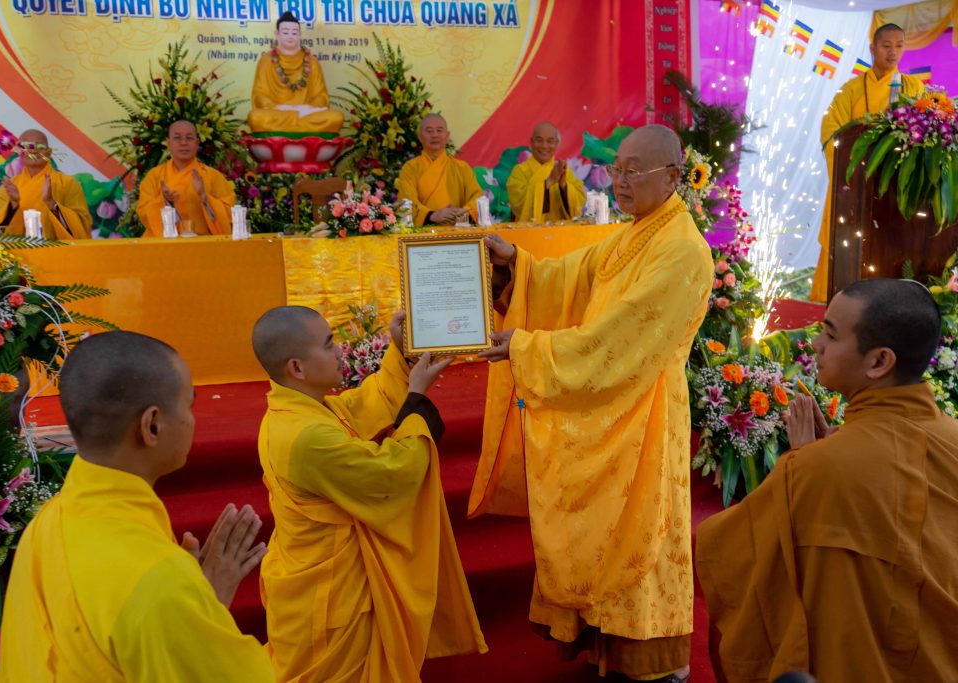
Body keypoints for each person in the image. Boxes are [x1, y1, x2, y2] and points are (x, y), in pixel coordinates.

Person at [471, 125, 713, 681]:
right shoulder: (637, 233)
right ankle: (605, 646)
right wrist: (518, 263)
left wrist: (527, 346)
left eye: (635, 171)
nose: (620, 182)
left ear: (674, 176)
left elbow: (622, 340)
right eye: (616, 169)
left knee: (640, 535)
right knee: (603, 527)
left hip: (644, 408)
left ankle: (651, 660)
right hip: (612, 402)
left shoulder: (680, 249)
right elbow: (573, 279)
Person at [697, 279, 958, 682]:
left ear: (878, 362)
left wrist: (804, 463)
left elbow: (721, 552)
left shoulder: (815, 469)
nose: (816, 344)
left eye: (831, 334)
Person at [0, 331, 274, 682]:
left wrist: (200, 607)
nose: (192, 419)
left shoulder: (48, 521)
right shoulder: (160, 581)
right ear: (152, 426)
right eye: (189, 404)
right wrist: (193, 604)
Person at [252, 306, 486, 682]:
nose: (340, 350)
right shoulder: (306, 435)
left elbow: (364, 405)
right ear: (296, 368)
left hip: (317, 578)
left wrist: (400, 353)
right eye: (329, 345)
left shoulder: (297, 409)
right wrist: (417, 402)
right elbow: (391, 475)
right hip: (330, 597)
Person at [810, 23, 924, 302]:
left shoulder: (915, 87)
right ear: (873, 48)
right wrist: (856, 165)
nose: (893, 51)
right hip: (857, 187)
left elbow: (926, 126)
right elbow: (830, 132)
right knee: (849, 252)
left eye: (899, 45)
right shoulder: (850, 90)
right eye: (886, 45)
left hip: (896, 189)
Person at [247, 12, 343, 134]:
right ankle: (298, 125)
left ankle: (293, 125)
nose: (290, 36)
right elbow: (259, 95)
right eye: (285, 32)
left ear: (300, 35)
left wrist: (308, 108)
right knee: (256, 118)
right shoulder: (266, 60)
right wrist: (281, 108)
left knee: (336, 117)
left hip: (306, 112)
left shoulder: (312, 61)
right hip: (278, 112)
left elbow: (321, 96)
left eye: (294, 33)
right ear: (277, 34)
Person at [135, 120, 236, 237]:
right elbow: (143, 213)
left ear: (197, 143)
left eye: (189, 138)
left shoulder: (212, 175)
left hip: (203, 246)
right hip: (164, 246)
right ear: (168, 143)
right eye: (177, 138)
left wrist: (204, 197)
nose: (184, 143)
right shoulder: (154, 176)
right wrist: (165, 201)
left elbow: (230, 214)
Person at [0, 129, 92, 240]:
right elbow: (2, 232)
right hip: (20, 254)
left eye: (40, 147)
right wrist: (13, 204)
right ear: (18, 151)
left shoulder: (67, 183)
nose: (33, 150)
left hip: (58, 253)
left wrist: (52, 203)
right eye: (26, 146)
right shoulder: (7, 189)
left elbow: (81, 229)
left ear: (49, 152)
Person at [397, 114, 482, 226]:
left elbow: (477, 197)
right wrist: (432, 215)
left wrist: (464, 213)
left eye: (439, 130)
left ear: (447, 136)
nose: (435, 135)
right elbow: (406, 201)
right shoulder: (410, 168)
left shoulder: (462, 168)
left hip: (458, 232)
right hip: (423, 234)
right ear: (420, 137)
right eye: (429, 131)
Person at [506, 122, 586, 223]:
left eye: (550, 141)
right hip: (529, 234)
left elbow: (578, 205)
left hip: (559, 234)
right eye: (539, 140)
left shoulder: (563, 170)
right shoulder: (520, 171)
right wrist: (548, 182)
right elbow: (519, 206)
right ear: (531, 142)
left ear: (557, 143)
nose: (544, 146)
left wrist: (563, 185)